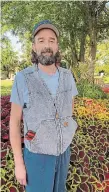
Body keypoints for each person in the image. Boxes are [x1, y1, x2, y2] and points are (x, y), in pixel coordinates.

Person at [9, 20, 79, 192]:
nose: (47, 45)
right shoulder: (23, 78)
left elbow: (70, 110)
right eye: (41, 40)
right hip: (37, 156)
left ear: (57, 46)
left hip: (63, 153)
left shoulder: (67, 76)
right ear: (34, 46)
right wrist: (19, 163)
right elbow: (14, 122)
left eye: (51, 40)